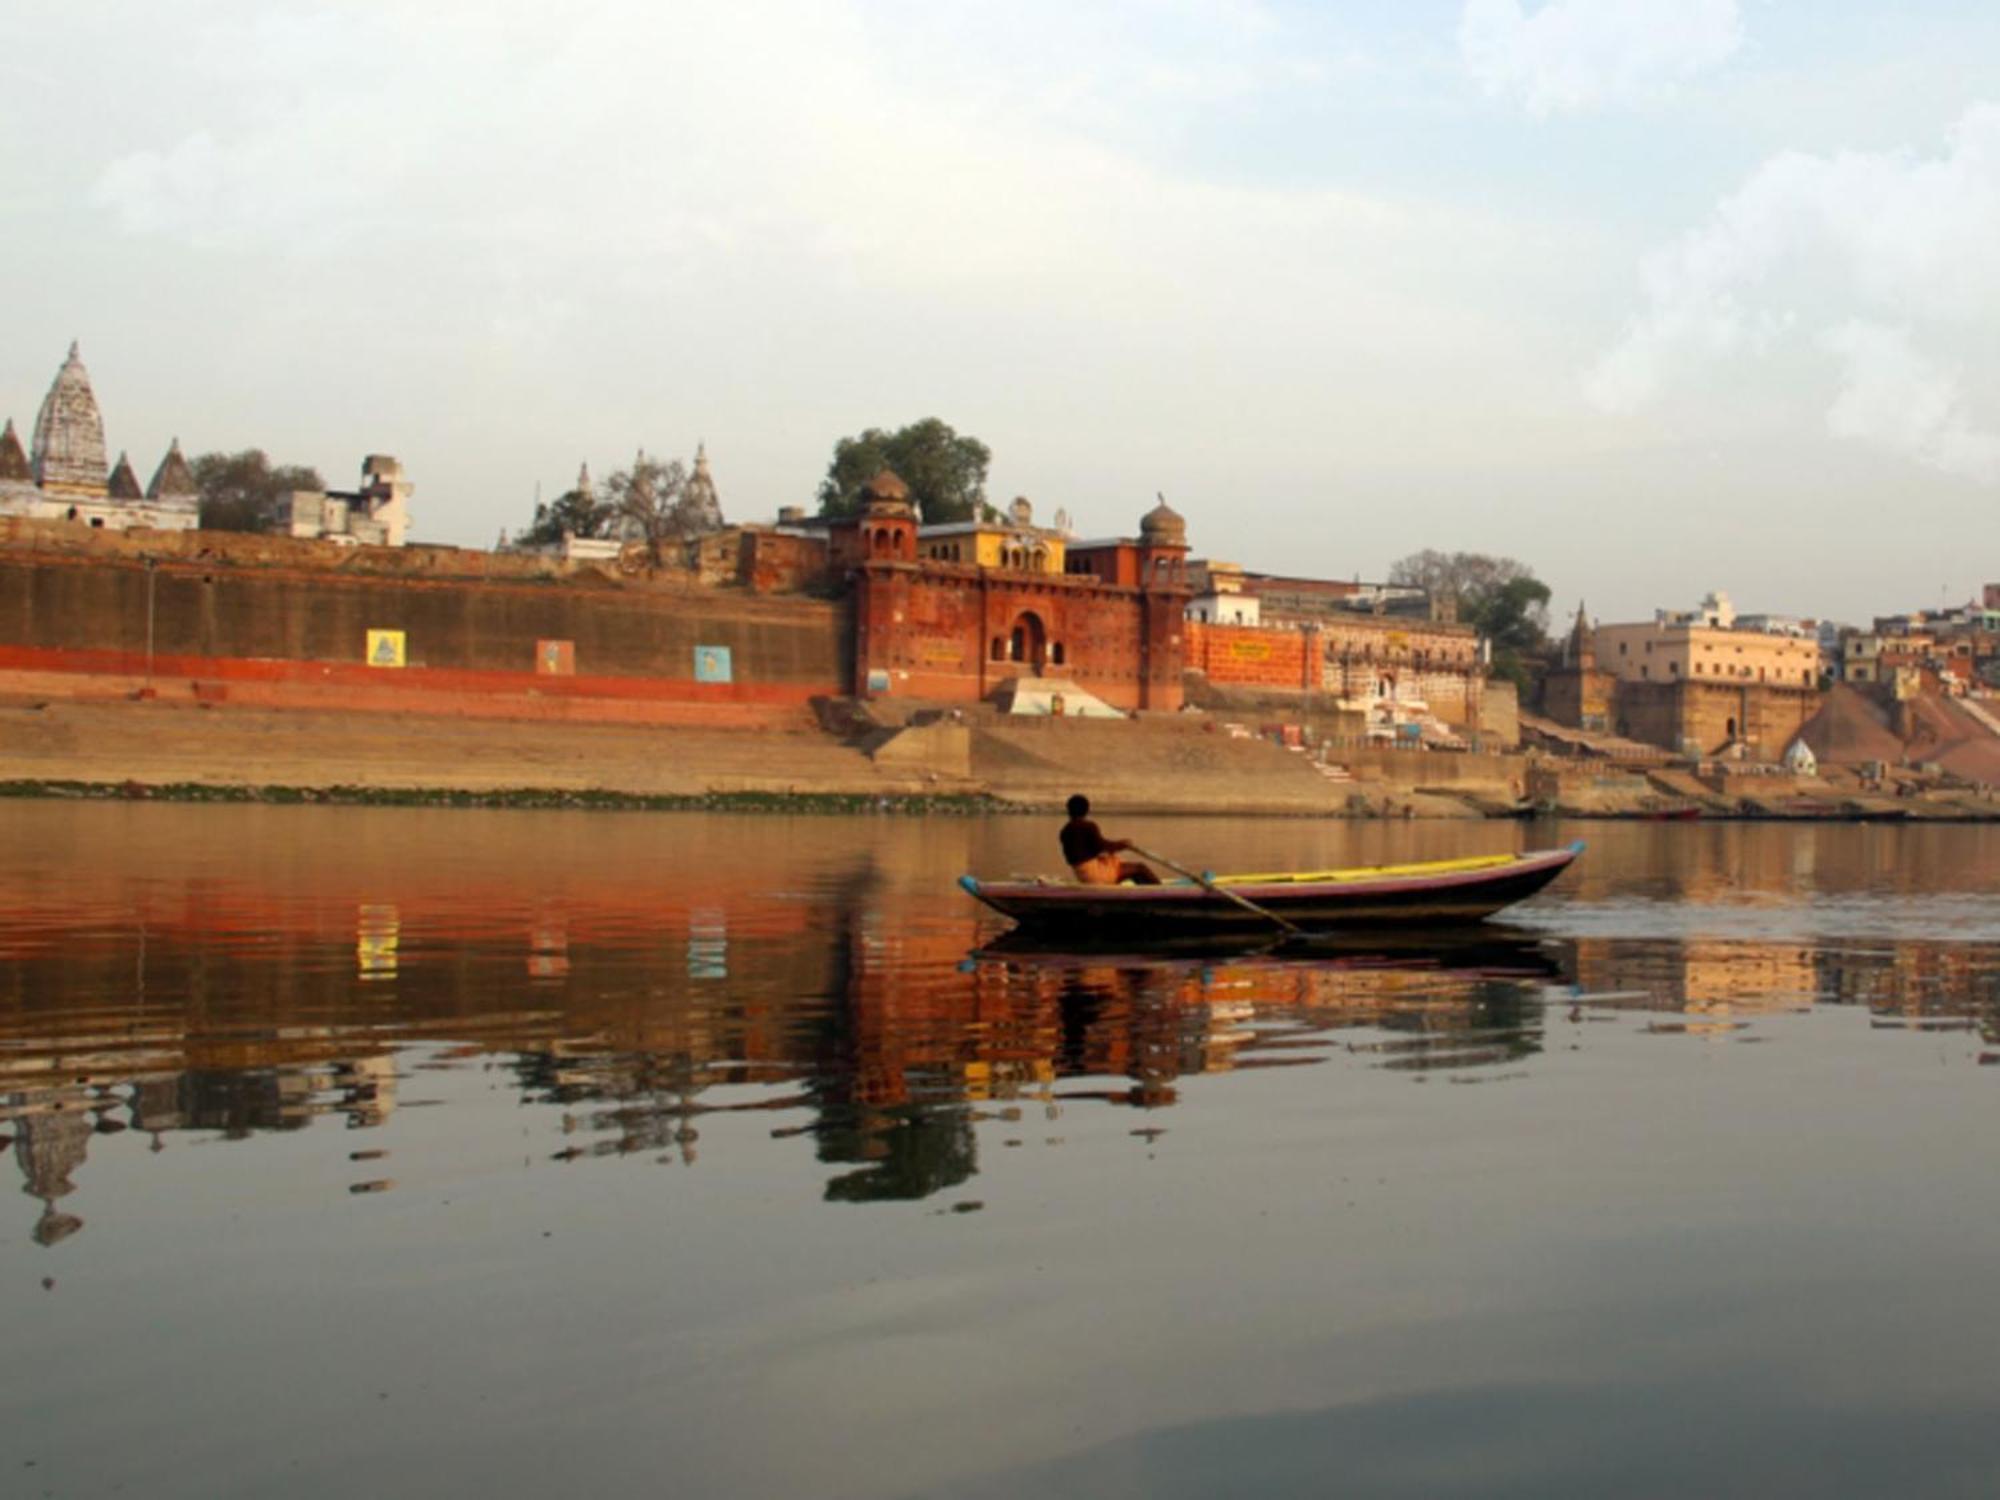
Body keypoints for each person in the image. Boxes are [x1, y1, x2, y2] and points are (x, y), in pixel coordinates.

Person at [1059, 794, 1160, 886]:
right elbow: (1102, 847)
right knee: (1140, 868)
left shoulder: (1065, 831)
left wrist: (1119, 845)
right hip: (1095, 875)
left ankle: (1144, 892)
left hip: (1082, 876)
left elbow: (1089, 851)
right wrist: (1122, 845)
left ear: (1069, 810)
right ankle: (1160, 890)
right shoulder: (1088, 826)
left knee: (1133, 871)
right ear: (1086, 810)